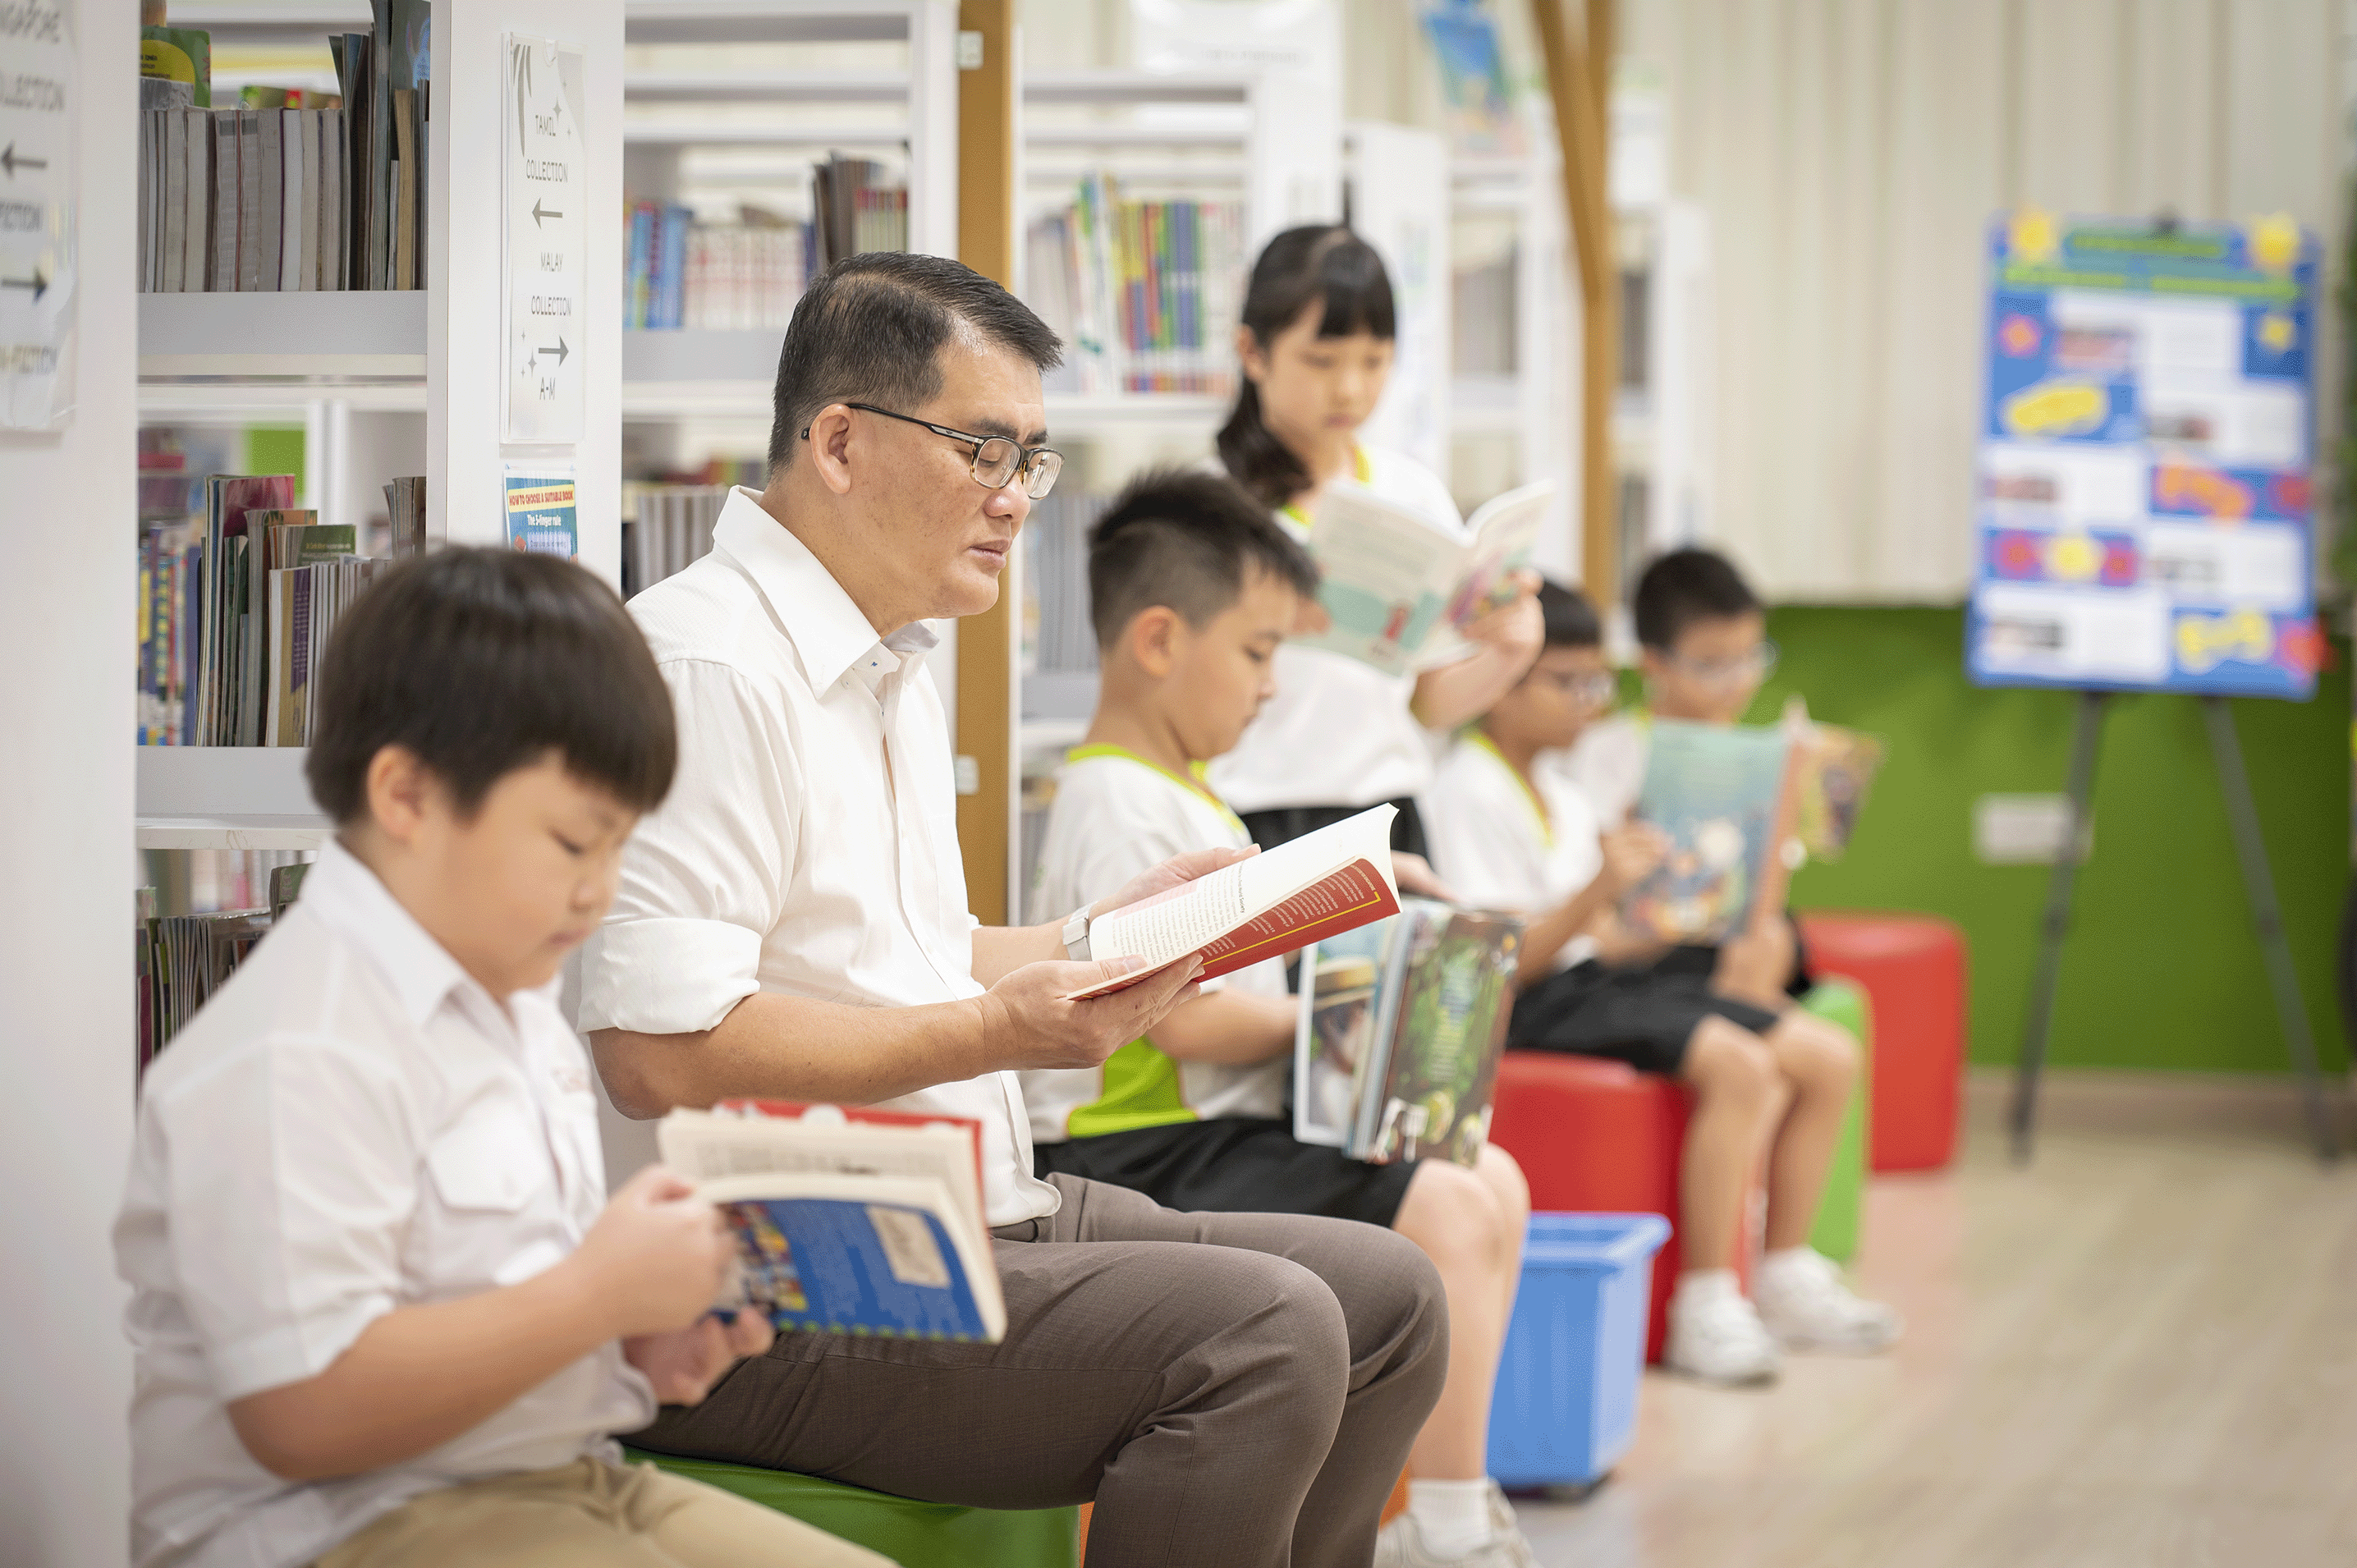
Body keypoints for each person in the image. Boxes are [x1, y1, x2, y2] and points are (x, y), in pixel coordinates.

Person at [578, 252, 1448, 1568]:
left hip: (970, 1196)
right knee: (1266, 1330)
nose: (1013, 500)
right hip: (769, 1277)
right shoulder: (707, 667)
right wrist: (996, 1031)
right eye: (984, 450)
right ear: (838, 442)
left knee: (1390, 1296)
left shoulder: (891, 656)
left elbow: (904, 954)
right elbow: (655, 1050)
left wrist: (1104, 937)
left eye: (1031, 460)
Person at [114, 549, 886, 1568]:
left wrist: (635, 1342)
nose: (599, 891)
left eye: (620, 849)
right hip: (337, 1521)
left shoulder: (507, 999)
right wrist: (597, 1296)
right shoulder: (297, 1041)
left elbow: (481, 1304)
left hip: (555, 1476)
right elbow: (300, 1411)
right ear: (408, 795)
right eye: (573, 844)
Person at [1021, 469, 1537, 1568]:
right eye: (1258, 654)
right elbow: (1180, 1024)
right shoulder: (1117, 799)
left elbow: (1233, 937)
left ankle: (1445, 1505)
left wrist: (1359, 881)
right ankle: (1440, 1528)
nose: (1269, 689)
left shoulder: (1180, 788)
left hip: (1211, 1128)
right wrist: (1347, 1016)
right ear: (1158, 641)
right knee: (1448, 1197)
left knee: (1487, 1174)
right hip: (1139, 1145)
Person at [1436, 566, 1901, 1386]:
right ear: (1498, 680)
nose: (1588, 700)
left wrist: (1677, 907)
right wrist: (1605, 893)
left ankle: (1786, 1269)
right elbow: (1502, 965)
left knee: (1827, 1053)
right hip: (1539, 997)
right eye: (1567, 681)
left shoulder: (1555, 789)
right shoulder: (1466, 787)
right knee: (1740, 1063)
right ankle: (1705, 1298)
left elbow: (1608, 938)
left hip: (1600, 976)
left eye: (1594, 680)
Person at [1208, 224, 1543, 859]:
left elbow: (1428, 704)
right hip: (1253, 820)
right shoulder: (1210, 503)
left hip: (1389, 819)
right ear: (1252, 352)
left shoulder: (1409, 496)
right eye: (1321, 360)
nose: (1351, 389)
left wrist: (1508, 654)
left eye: (1374, 359)